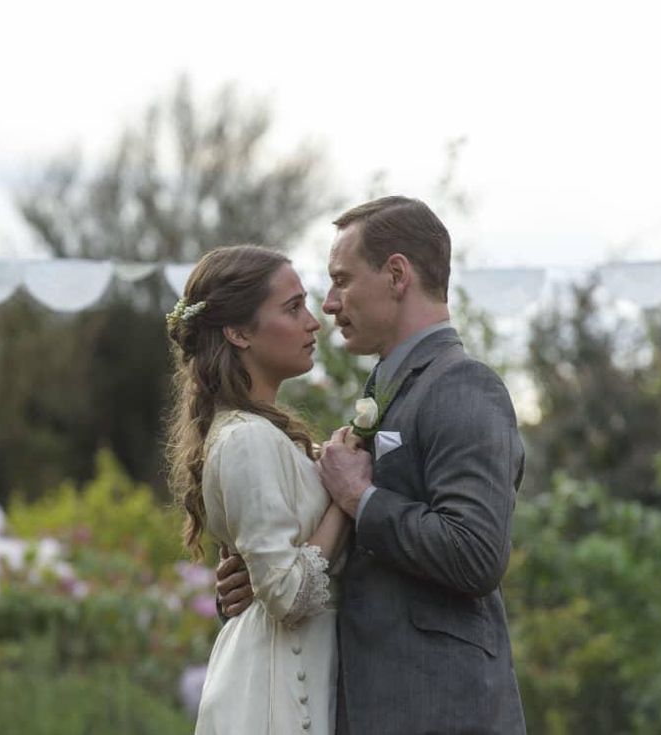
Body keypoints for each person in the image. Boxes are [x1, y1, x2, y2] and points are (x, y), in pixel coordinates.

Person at [217, 196, 527, 734]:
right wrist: (269, 573)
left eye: (341, 280)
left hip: (439, 714)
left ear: (397, 274)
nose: (330, 304)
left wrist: (363, 500)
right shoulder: (385, 391)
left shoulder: (463, 385)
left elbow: (477, 553)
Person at [166, 244, 351, 734]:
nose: (313, 322)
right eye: (292, 308)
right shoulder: (246, 440)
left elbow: (273, 568)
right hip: (272, 694)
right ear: (238, 332)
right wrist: (345, 500)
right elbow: (288, 594)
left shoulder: (267, 435)